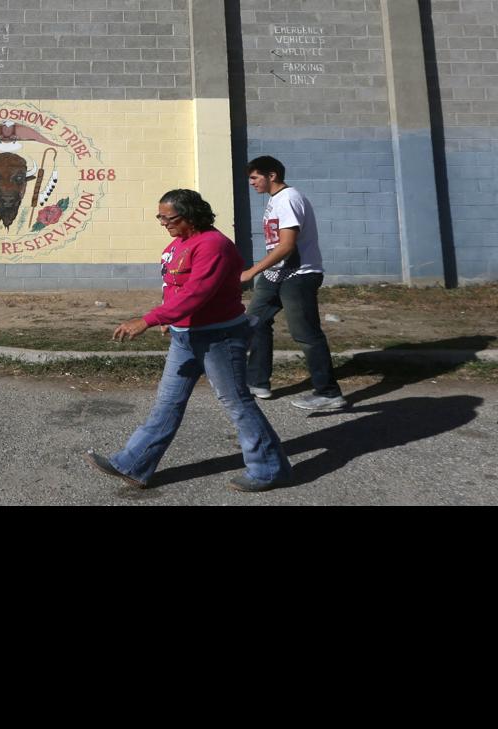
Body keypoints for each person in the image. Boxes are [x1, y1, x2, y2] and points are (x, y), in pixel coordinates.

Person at [84, 189, 293, 493]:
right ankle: (133, 464)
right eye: (161, 217)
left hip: (218, 337)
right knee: (167, 404)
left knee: (236, 403)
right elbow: (175, 287)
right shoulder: (179, 244)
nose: (163, 223)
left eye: (170, 217)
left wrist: (149, 319)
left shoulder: (214, 246)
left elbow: (197, 294)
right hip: (186, 337)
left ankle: (271, 469)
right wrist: (170, 319)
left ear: (191, 215)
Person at [239, 156, 346, 411]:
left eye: (255, 177)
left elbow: (287, 245)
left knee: (306, 334)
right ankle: (257, 383)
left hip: (299, 275)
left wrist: (251, 271)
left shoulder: (288, 199)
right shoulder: (275, 201)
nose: (252, 183)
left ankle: (329, 393)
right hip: (276, 274)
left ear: (271, 175)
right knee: (255, 322)